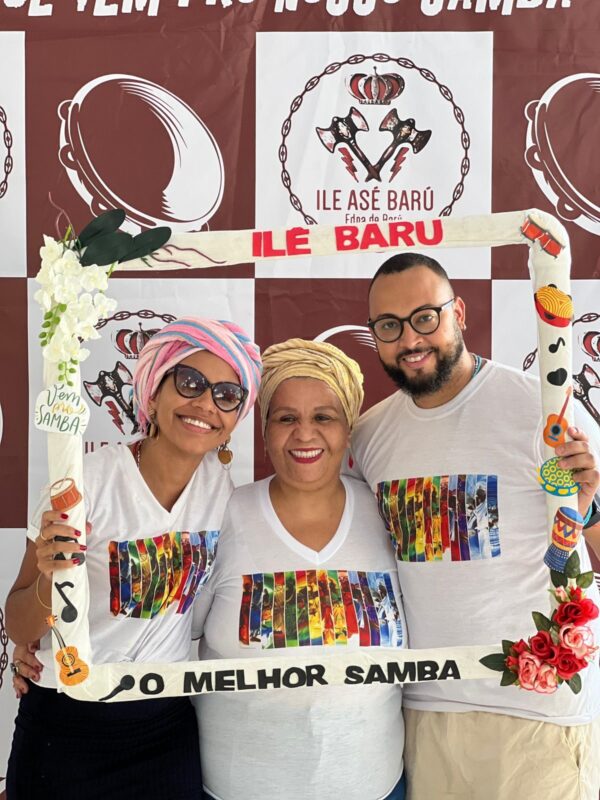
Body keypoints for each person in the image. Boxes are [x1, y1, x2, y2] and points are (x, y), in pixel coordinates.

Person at [350, 252, 600, 800]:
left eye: (425, 317)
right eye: (389, 326)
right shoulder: (367, 437)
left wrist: (585, 508)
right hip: (423, 709)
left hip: (538, 713)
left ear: (458, 312)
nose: (410, 339)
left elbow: (590, 538)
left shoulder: (541, 411)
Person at [4, 317, 262, 800]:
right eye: (190, 382)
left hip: (163, 725)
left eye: (227, 394)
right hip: (65, 722)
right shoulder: (85, 483)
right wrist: (49, 576)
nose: (206, 403)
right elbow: (20, 626)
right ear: (153, 394)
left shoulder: (222, 492)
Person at [192, 339, 407, 800]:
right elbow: (165, 631)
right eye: (286, 418)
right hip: (236, 789)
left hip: (375, 787)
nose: (305, 434)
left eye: (323, 417)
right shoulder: (222, 516)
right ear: (265, 431)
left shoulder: (388, 514)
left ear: (348, 429)